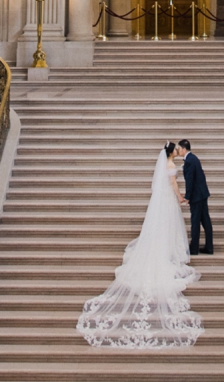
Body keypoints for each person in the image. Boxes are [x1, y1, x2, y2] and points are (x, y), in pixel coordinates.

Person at [76, 141, 203, 349]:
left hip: (160, 202)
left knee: (160, 227)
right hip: (169, 201)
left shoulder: (164, 165)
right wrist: (181, 197)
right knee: (168, 226)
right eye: (177, 149)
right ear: (173, 153)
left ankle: (161, 250)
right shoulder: (170, 166)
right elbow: (173, 185)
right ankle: (168, 253)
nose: (179, 151)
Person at [177, 139, 213, 256]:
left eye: (179, 149)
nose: (178, 151)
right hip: (202, 194)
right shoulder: (193, 158)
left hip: (197, 196)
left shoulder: (189, 161)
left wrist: (188, 196)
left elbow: (190, 180)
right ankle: (209, 246)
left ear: (183, 149)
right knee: (205, 221)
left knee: (195, 221)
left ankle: (194, 248)